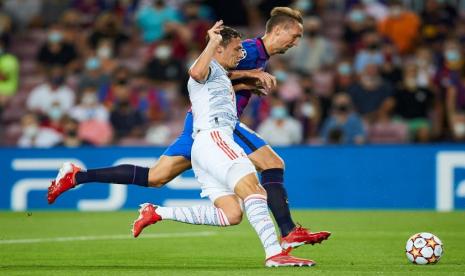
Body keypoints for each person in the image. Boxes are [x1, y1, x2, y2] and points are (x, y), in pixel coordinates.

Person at [48, 7, 330, 250]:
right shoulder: (250, 51)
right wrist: (251, 75)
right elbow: (209, 70)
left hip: (197, 126)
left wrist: (247, 84)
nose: (296, 42)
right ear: (279, 31)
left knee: (156, 177)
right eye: (295, 36)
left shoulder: (260, 56)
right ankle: (288, 232)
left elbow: (222, 79)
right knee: (272, 163)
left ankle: (77, 176)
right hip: (217, 125)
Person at [132, 22, 314, 267]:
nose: (242, 55)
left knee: (231, 214)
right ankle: (275, 253)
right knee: (256, 191)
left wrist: (248, 82)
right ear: (219, 51)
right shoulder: (208, 71)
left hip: (205, 146)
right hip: (213, 138)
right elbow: (197, 71)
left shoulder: (222, 76)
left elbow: (225, 78)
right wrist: (213, 42)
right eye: (238, 49)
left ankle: (157, 212)